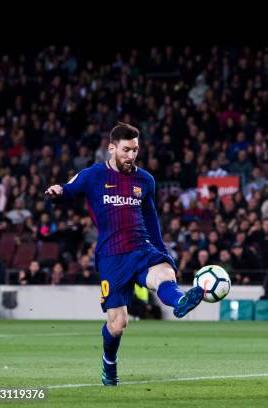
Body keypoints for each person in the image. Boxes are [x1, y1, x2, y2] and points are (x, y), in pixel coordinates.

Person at [44, 122, 204, 386]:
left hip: (142, 248)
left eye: (136, 150)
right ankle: (109, 363)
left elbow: (152, 222)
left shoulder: (145, 180)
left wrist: (165, 255)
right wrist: (57, 192)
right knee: (118, 324)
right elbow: (68, 190)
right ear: (111, 148)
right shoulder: (93, 175)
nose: (132, 156)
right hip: (112, 257)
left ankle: (180, 301)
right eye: (127, 150)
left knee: (164, 274)